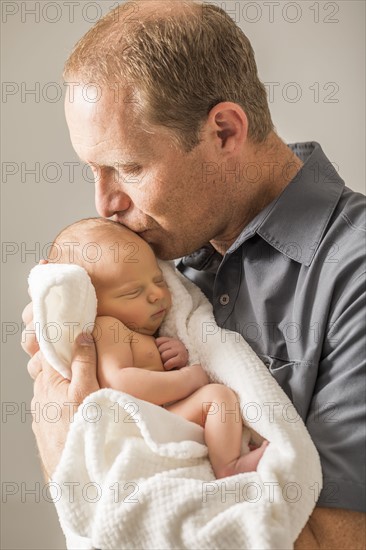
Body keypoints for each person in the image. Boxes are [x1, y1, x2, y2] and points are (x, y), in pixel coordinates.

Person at [22, 0, 365, 547]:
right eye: (94, 169)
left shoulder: (353, 274)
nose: (105, 203)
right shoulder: (151, 262)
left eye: (129, 167)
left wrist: (63, 440)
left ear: (225, 131)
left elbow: (334, 541)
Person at [46, 216, 268, 478]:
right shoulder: (108, 328)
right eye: (132, 292)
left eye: (158, 280)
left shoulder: (146, 332)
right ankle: (229, 466)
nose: (157, 295)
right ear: (92, 302)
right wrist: (186, 379)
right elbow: (120, 382)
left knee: (220, 400)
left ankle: (234, 448)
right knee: (217, 398)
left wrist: (176, 354)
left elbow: (154, 366)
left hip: (164, 416)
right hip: (142, 425)